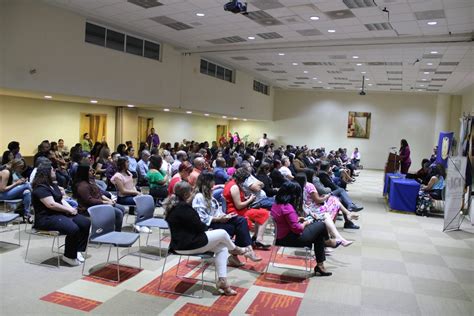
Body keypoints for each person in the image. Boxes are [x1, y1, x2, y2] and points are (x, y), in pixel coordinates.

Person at [164, 181, 248, 296]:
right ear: (186, 195)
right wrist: (208, 230)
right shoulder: (184, 208)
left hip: (180, 244)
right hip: (188, 245)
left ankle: (223, 281)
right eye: (192, 191)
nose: (194, 193)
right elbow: (199, 226)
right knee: (223, 233)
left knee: (222, 248)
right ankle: (235, 249)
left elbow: (195, 226)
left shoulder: (174, 206)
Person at [192, 172, 261, 266]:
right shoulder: (199, 197)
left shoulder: (209, 195)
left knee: (241, 220)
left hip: (216, 221)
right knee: (237, 226)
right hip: (207, 227)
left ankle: (247, 251)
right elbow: (201, 218)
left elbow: (217, 211)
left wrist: (225, 216)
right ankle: (240, 253)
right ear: (207, 182)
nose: (214, 182)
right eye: (212, 180)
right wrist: (218, 219)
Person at [271, 181, 336, 277]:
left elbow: (283, 221)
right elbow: (298, 229)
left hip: (281, 237)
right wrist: (306, 223)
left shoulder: (276, 205)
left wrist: (296, 219)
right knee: (321, 225)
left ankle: (320, 266)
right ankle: (327, 242)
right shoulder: (287, 207)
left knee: (318, 234)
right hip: (291, 239)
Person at [32, 167, 90, 266]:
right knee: (73, 228)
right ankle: (69, 256)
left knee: (84, 222)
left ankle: (76, 250)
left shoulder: (53, 185)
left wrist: (71, 209)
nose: (55, 171)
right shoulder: (40, 188)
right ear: (46, 173)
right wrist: (68, 210)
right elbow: (51, 204)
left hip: (58, 214)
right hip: (46, 218)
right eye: (52, 170)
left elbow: (61, 200)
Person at [295, 171, 357, 246]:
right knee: (333, 202)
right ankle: (347, 215)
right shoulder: (309, 186)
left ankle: (347, 215)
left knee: (334, 200)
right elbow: (317, 199)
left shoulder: (294, 187)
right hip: (312, 211)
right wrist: (326, 196)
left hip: (304, 211)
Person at [223, 168, 270, 249]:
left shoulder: (231, 184)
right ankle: (258, 238)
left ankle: (256, 238)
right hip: (236, 212)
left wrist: (246, 198)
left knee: (262, 211)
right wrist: (250, 200)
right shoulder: (234, 187)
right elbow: (239, 205)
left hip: (238, 210)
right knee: (265, 213)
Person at [73, 165, 124, 232]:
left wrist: (109, 200)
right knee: (118, 213)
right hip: (88, 208)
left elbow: (100, 193)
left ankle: (109, 229)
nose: (93, 172)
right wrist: (105, 202)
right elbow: (90, 201)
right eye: (90, 171)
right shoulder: (82, 185)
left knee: (122, 208)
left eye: (92, 170)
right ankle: (116, 233)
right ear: (84, 172)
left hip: (98, 204)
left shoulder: (90, 181)